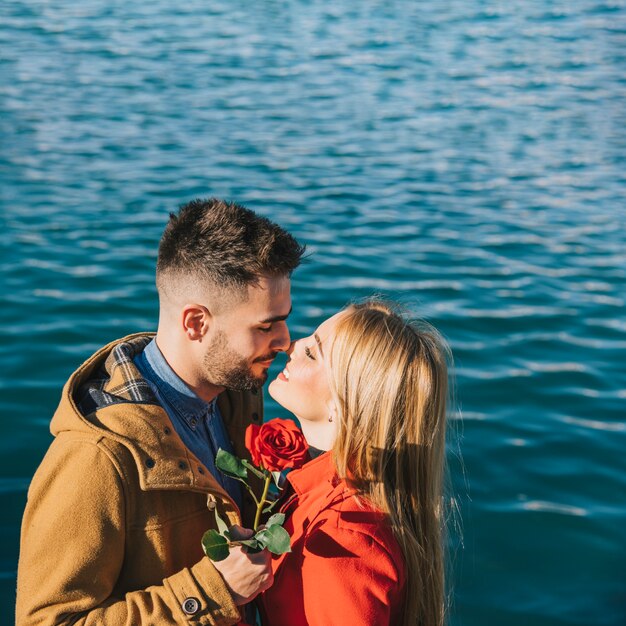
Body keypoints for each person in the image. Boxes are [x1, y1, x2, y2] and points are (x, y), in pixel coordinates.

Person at [16, 198, 305, 625]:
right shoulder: (96, 458)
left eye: (284, 319)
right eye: (265, 326)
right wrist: (212, 592)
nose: (286, 341)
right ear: (195, 323)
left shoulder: (236, 398)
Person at [260, 300, 450, 626]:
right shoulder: (335, 493)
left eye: (312, 353)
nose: (292, 344)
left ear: (342, 404)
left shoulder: (341, 540)